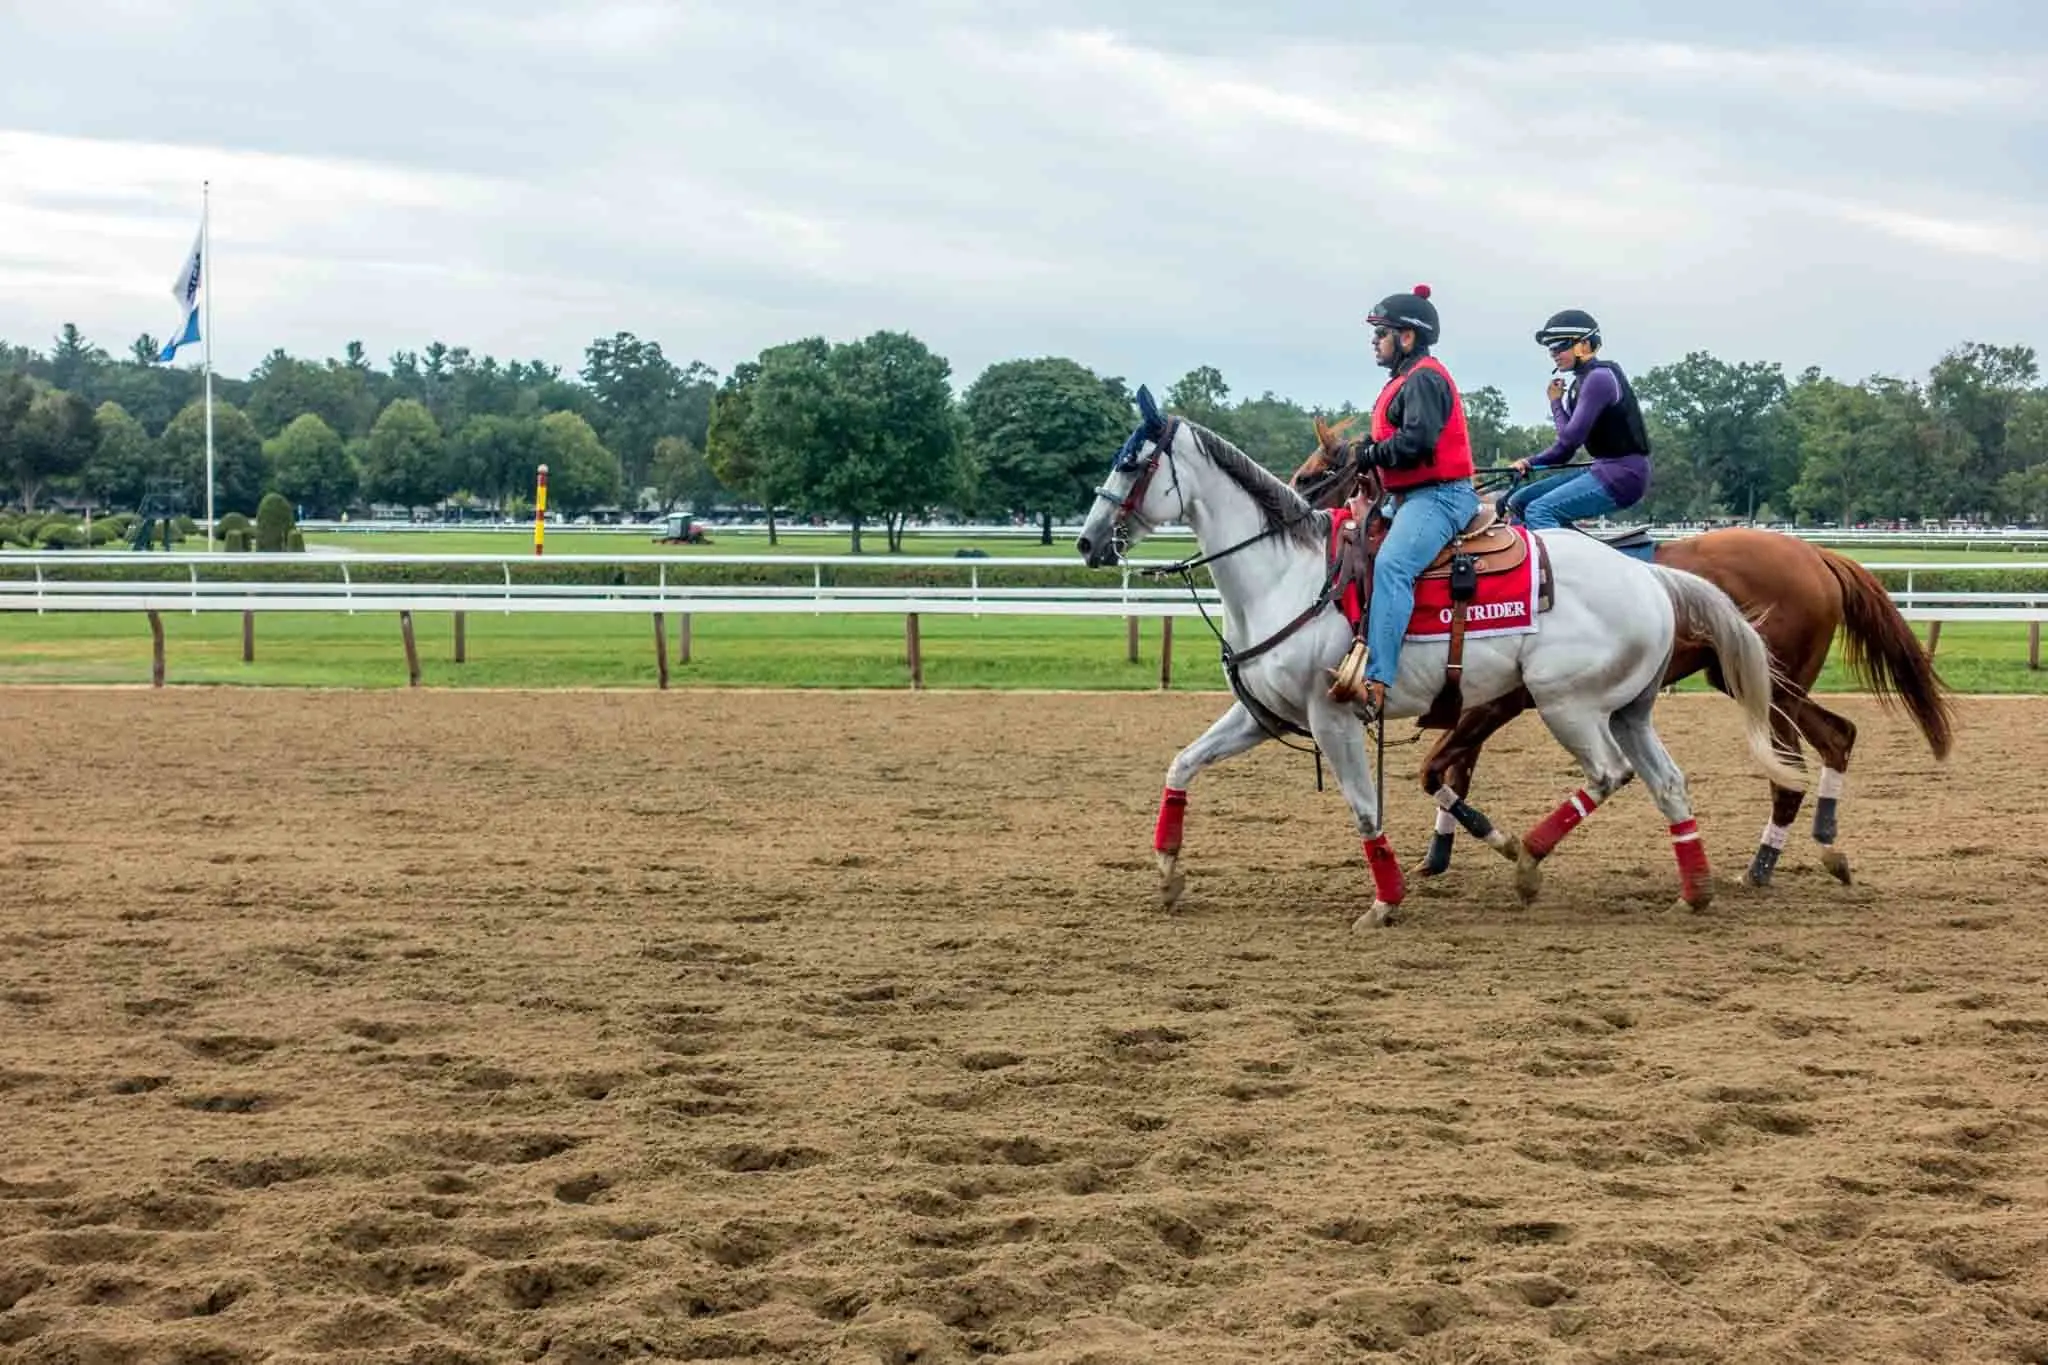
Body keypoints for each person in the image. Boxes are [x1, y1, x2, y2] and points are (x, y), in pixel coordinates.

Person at [1336, 283, 1479, 715]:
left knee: (1394, 565)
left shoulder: (1425, 379)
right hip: (1407, 496)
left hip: (1440, 497)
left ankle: (1378, 681)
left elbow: (1416, 442)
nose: (1374, 343)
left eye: (1381, 333)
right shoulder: (1404, 381)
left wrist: (1370, 454)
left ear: (1408, 337)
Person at [1503, 309, 1653, 531]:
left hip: (1624, 476)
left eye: (1559, 346)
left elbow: (1569, 441)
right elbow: (1565, 448)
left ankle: (1562, 565)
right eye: (1550, 349)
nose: (1553, 354)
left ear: (1584, 345)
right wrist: (1529, 462)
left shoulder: (1599, 379)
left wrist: (1555, 404)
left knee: (1539, 511)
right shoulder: (1580, 384)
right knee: (1519, 502)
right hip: (1604, 469)